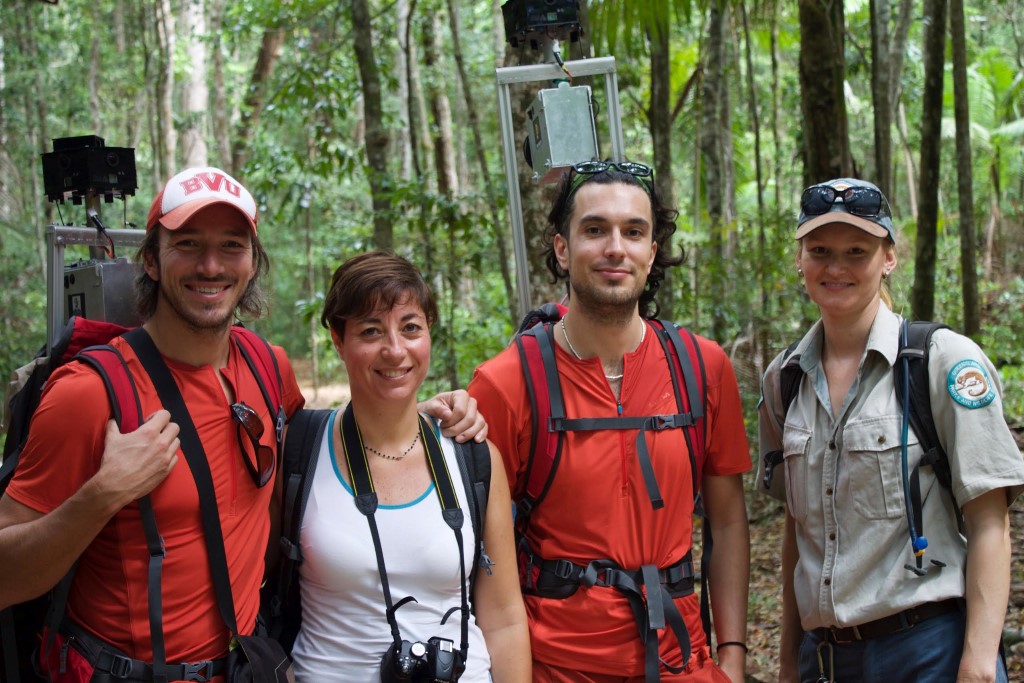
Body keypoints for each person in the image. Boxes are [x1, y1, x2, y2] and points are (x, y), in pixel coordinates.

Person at [0, 166, 485, 681]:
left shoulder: (265, 366)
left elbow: (345, 438)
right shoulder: (90, 395)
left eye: (231, 245)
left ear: (252, 261)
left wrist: (431, 413)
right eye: (187, 243)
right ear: (151, 259)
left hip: (244, 665)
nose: (210, 265)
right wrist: (100, 496)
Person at [467, 161, 751, 683]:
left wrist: (732, 651)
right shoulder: (506, 383)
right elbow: (483, 553)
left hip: (681, 661)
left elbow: (728, 520)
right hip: (556, 665)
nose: (615, 248)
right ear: (561, 248)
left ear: (652, 252)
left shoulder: (702, 368)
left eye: (633, 231)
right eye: (594, 229)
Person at [757, 178, 1024, 683]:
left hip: (927, 651)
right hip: (827, 660)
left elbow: (991, 522)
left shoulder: (942, 361)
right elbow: (800, 533)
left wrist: (978, 664)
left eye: (857, 251)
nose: (836, 267)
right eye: (820, 251)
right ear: (799, 258)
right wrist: (789, 663)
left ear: (888, 258)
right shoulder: (783, 380)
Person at [288, 250, 530, 682]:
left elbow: (505, 616)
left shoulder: (472, 457)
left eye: (410, 328)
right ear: (338, 341)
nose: (395, 349)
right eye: (370, 330)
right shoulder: (300, 452)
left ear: (429, 334)